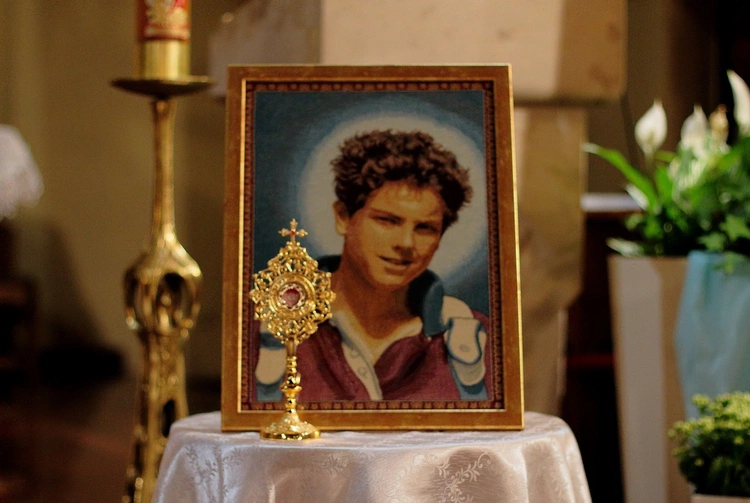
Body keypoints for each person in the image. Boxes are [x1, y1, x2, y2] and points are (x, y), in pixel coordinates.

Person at [253, 129, 492, 402]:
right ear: (343, 217)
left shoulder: (475, 338)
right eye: (387, 221)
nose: (406, 243)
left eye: (425, 228)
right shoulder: (264, 326)